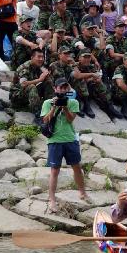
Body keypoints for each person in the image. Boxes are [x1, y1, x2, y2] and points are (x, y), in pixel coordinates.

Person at [41, 77, 87, 211]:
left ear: (68, 89)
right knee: (54, 170)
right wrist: (54, 107)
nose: (63, 89)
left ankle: (82, 192)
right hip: (55, 140)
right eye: (60, 87)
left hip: (70, 139)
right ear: (55, 89)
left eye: (65, 87)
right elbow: (45, 119)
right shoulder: (47, 102)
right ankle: (52, 199)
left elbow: (70, 119)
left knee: (77, 167)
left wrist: (65, 107)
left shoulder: (73, 102)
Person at [10, 48, 52, 122]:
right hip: (17, 96)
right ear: (32, 57)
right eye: (38, 57)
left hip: (28, 93)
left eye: (42, 57)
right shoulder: (25, 67)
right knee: (31, 87)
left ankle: (48, 107)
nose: (41, 59)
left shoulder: (39, 66)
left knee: (48, 82)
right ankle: (37, 114)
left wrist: (46, 76)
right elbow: (23, 84)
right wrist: (40, 79)